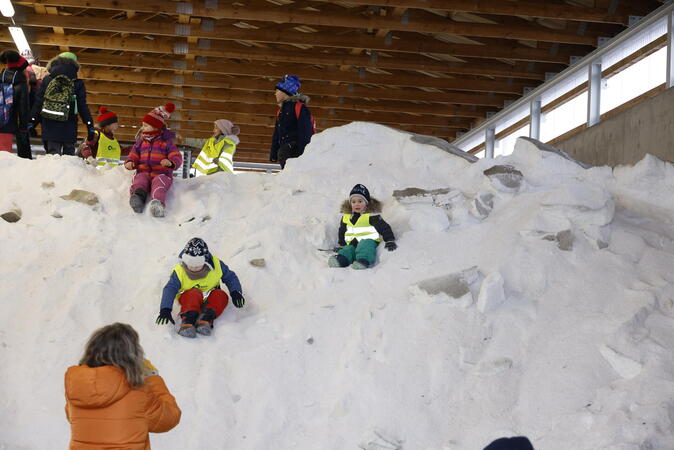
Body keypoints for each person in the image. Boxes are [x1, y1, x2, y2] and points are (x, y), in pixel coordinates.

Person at [65, 323, 181, 449]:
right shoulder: (137, 391)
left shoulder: (78, 387)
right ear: (131, 356)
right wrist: (152, 377)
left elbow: (73, 418)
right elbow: (169, 419)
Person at [156, 237, 245, 338]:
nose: (193, 267)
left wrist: (235, 292)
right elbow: (170, 288)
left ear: (205, 261)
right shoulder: (179, 271)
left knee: (221, 295)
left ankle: (206, 318)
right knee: (194, 293)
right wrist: (165, 309)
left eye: (197, 264)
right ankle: (188, 321)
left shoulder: (217, 265)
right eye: (190, 263)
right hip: (189, 298)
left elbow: (230, 277)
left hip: (210, 297)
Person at [28, 51, 94, 156]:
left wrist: (32, 121)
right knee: (68, 159)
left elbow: (39, 102)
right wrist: (90, 125)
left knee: (52, 157)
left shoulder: (47, 80)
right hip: (69, 124)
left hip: (49, 125)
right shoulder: (77, 83)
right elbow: (82, 106)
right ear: (75, 64)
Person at [124, 102, 182, 217]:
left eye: (145, 125)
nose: (142, 128)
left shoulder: (166, 142)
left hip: (161, 173)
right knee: (139, 181)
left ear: (155, 127)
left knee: (159, 185)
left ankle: (158, 204)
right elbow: (134, 154)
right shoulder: (141, 142)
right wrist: (130, 162)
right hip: (143, 171)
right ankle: (138, 199)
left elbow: (176, 155)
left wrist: (171, 163)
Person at [328, 184, 397, 270]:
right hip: (352, 243)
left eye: (360, 201)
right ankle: (341, 260)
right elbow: (342, 231)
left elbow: (384, 227)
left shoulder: (371, 216)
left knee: (365, 246)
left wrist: (389, 240)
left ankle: (363, 261)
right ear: (350, 204)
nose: (357, 204)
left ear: (366, 203)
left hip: (369, 241)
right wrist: (342, 245)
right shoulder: (346, 216)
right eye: (353, 202)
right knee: (348, 249)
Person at [269, 74, 314, 169]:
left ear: (285, 91)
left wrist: (303, 154)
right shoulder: (280, 111)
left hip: (295, 154)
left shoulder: (299, 107)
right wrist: (274, 153)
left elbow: (306, 132)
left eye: (277, 91)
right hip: (283, 154)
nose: (275, 94)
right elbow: (276, 134)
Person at [0, 50, 31, 159]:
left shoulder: (1, 78)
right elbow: (23, 109)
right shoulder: (21, 84)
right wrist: (23, 128)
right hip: (7, 125)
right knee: (4, 159)